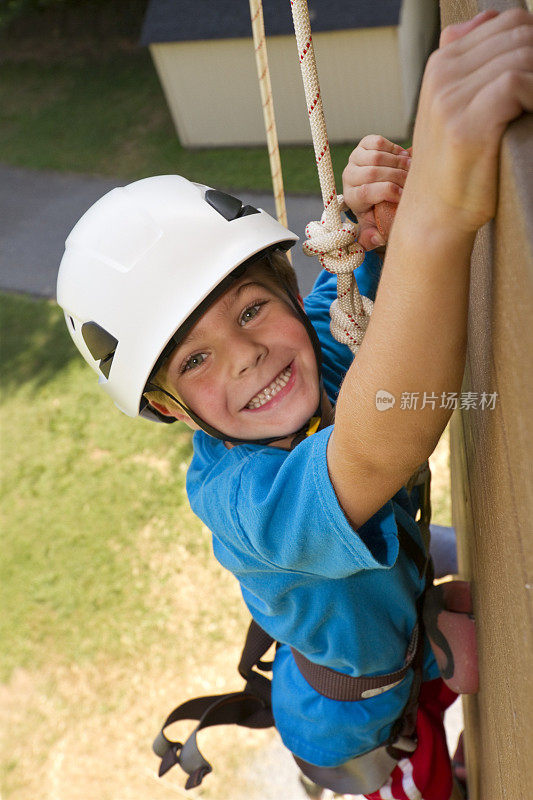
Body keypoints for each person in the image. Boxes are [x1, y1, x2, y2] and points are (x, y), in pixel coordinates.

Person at [56, 9, 533, 800]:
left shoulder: (307, 343)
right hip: (361, 723)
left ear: (284, 289)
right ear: (171, 408)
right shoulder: (240, 500)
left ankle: (431, 635)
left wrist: (378, 224)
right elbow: (378, 449)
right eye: (196, 358)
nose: (247, 355)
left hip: (386, 608)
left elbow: (373, 308)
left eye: (249, 309)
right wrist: (437, 213)